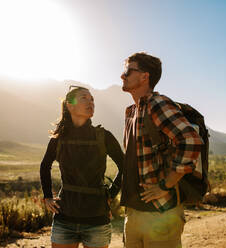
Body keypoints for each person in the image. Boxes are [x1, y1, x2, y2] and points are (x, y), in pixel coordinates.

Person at [120, 52, 203, 248]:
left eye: (127, 71)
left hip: (160, 212)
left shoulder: (157, 104)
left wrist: (167, 184)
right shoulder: (131, 111)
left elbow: (191, 140)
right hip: (133, 213)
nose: (122, 75)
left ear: (144, 76)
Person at [40, 85, 124, 248]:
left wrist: (111, 194)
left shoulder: (103, 136)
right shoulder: (59, 139)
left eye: (92, 99)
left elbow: (124, 165)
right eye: (84, 98)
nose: (91, 102)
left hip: (97, 220)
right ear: (69, 105)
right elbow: (45, 166)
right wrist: (47, 196)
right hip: (64, 218)